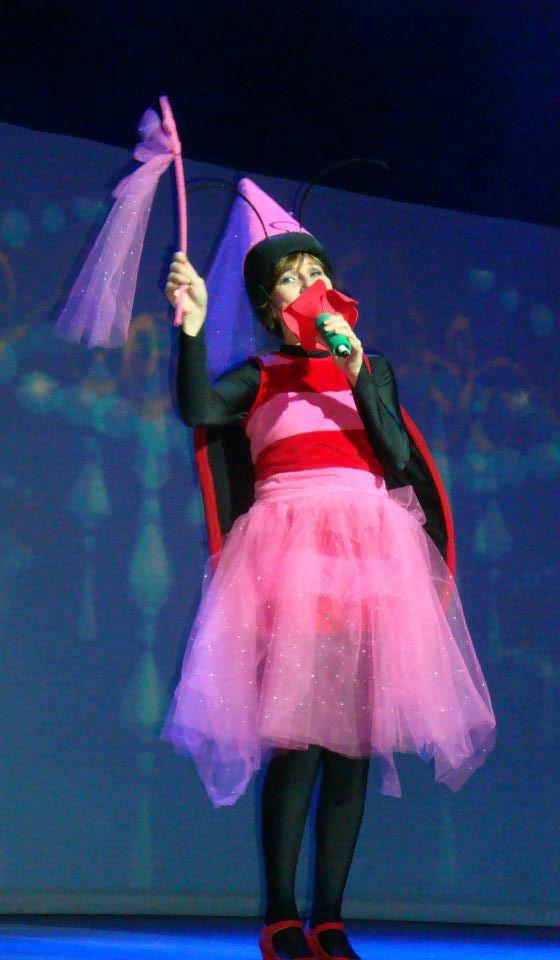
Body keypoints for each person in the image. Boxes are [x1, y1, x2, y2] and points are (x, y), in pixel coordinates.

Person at [161, 229, 496, 960]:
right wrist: (192, 327)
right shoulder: (261, 376)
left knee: (355, 745)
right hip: (293, 558)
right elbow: (198, 408)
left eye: (317, 270)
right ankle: (283, 917)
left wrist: (356, 371)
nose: (309, 283)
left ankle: (332, 919)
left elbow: (397, 454)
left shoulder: (369, 368)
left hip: (370, 561)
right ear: (268, 305)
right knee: (300, 742)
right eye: (291, 276)